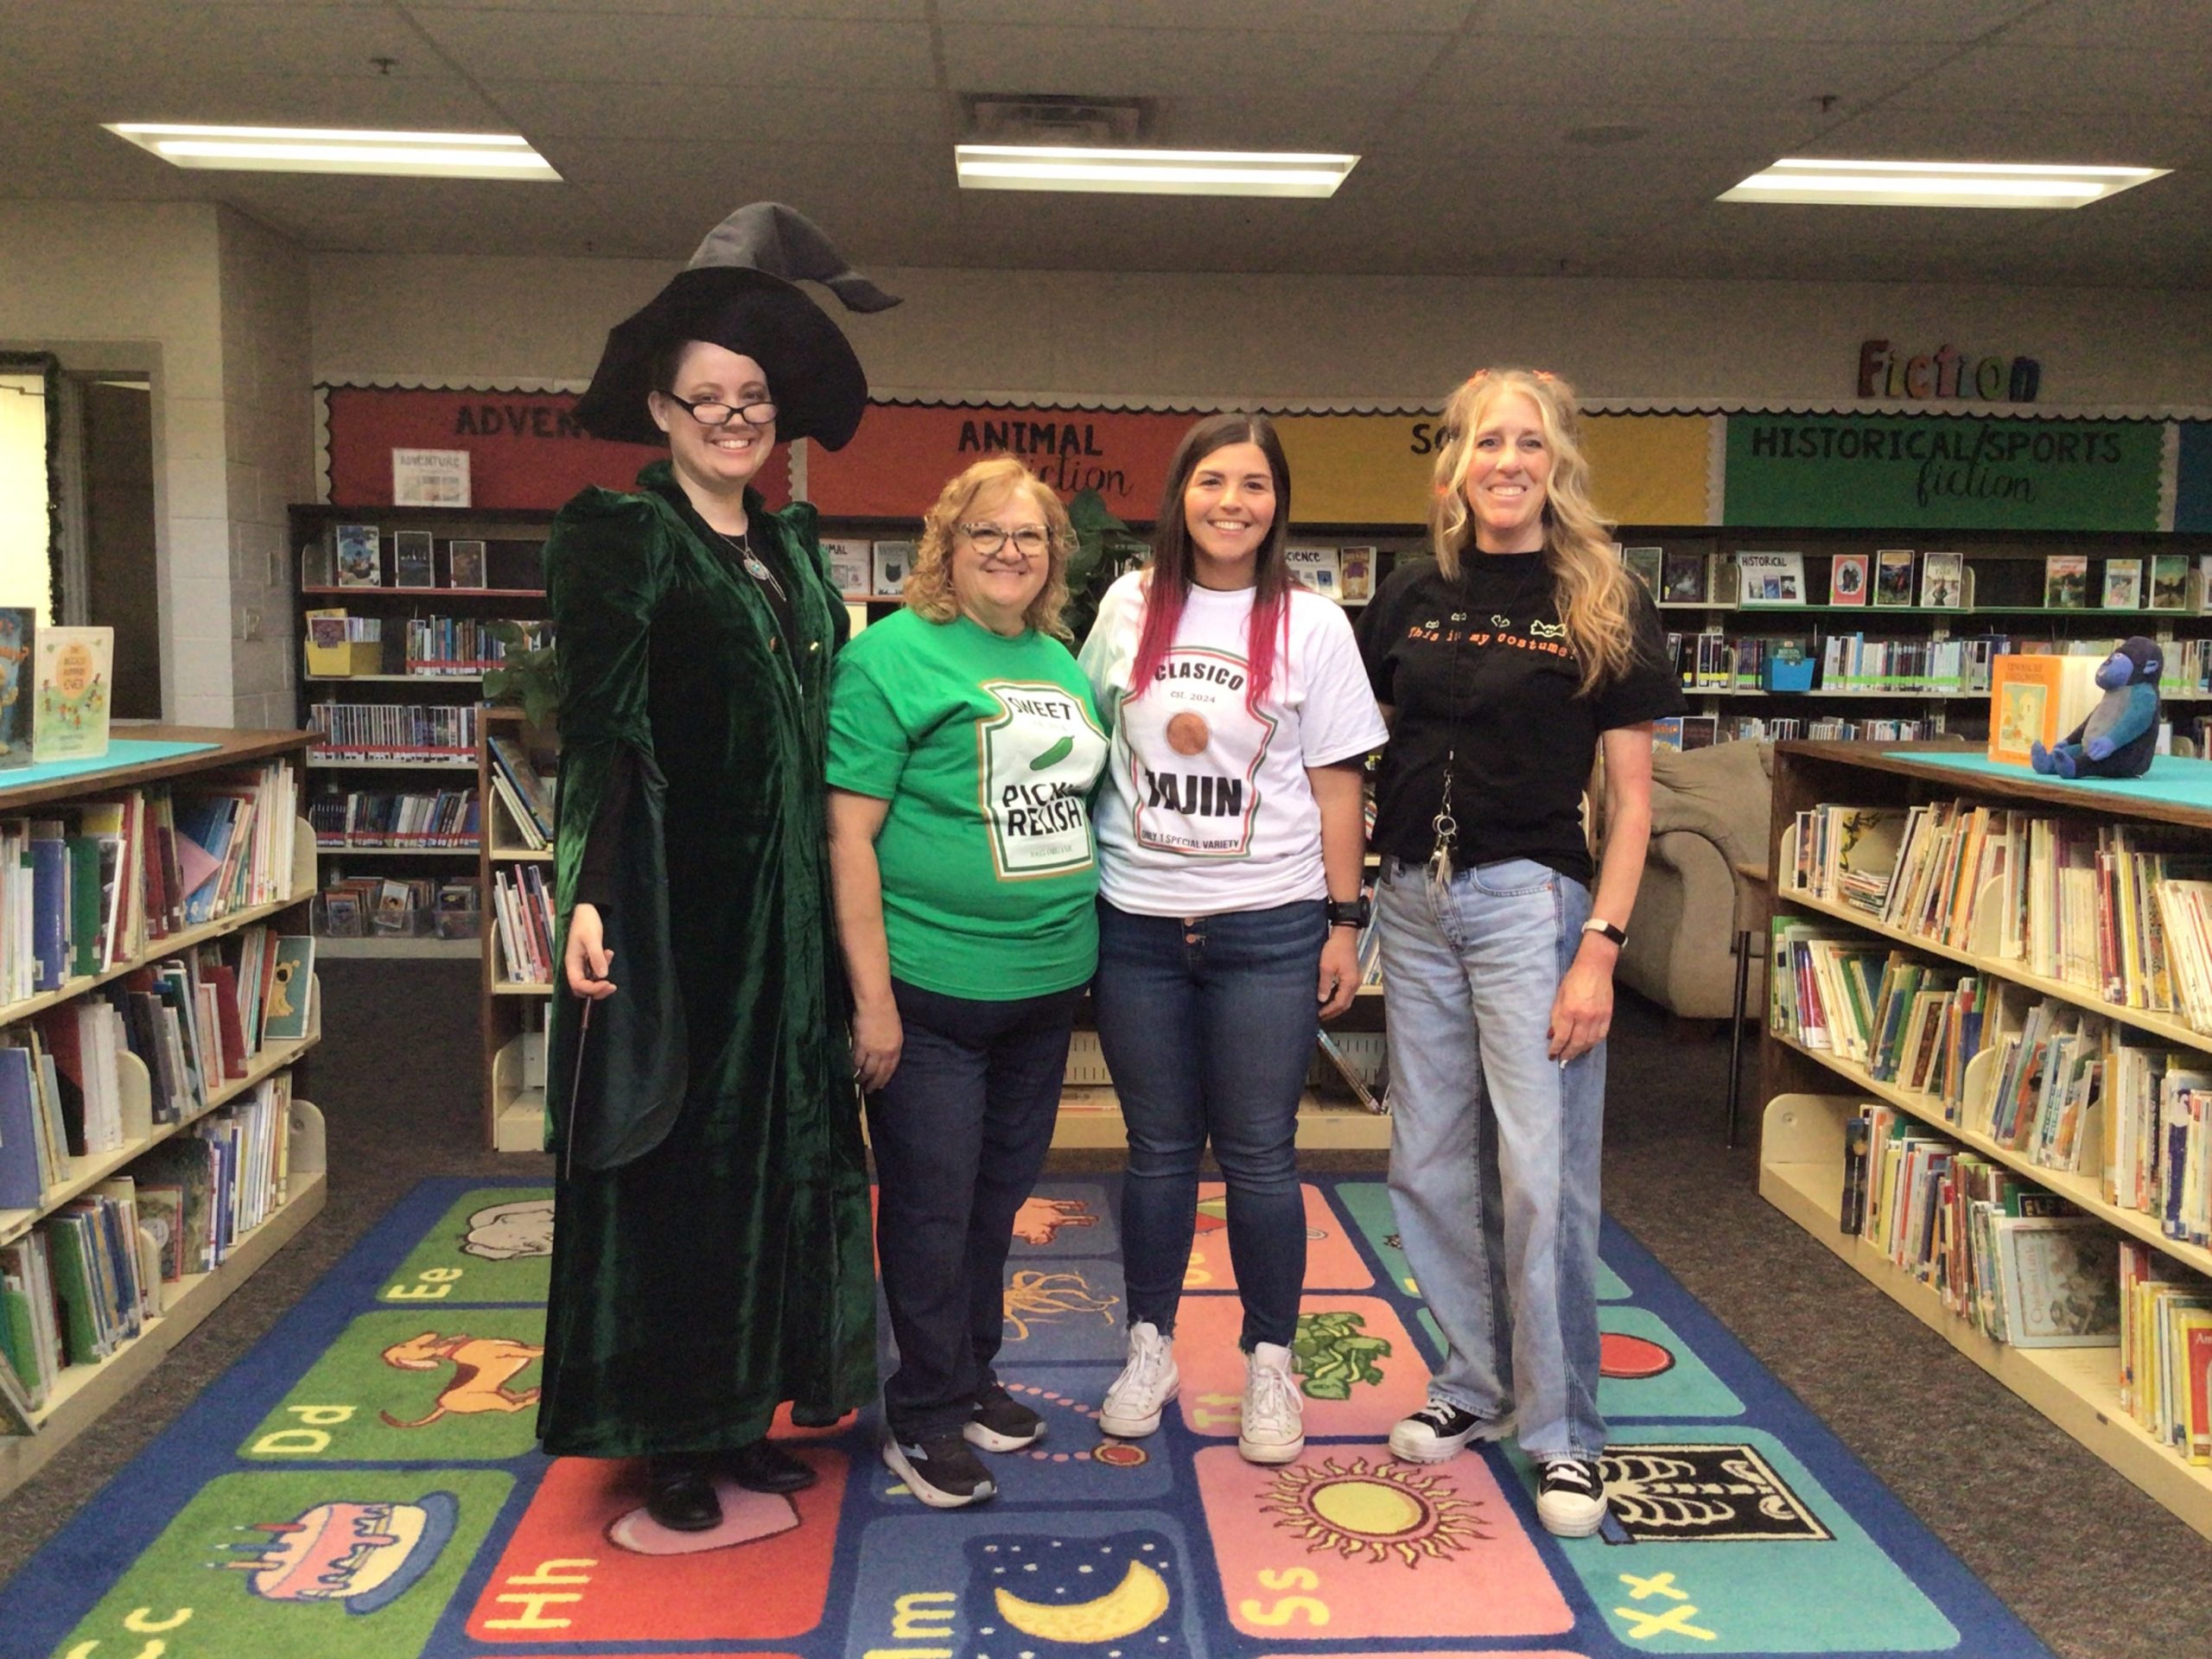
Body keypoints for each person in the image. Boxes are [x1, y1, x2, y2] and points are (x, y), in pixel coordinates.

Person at [537, 202, 898, 1532]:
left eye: (753, 398)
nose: (733, 418)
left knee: (779, 1162)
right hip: (684, 912)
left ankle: (747, 1414)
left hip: (792, 918)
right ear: (661, 408)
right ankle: (670, 1436)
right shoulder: (620, 540)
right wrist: (586, 888)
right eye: (707, 399)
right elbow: (602, 732)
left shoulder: (792, 555)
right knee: (681, 1171)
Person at [1354, 368, 1682, 1537]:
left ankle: (1565, 1435)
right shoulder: (1408, 593)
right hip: (1415, 902)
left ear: (1557, 463)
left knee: (1542, 1181)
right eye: (1483, 441)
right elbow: (1363, 751)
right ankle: (1473, 1387)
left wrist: (1600, 947)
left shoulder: (1604, 596)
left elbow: (1634, 803)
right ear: (1452, 462)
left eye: (1526, 444)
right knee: (1429, 1167)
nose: (1504, 461)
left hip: (1531, 908)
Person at [1079, 414, 1388, 1465]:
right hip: (1138, 928)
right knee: (1157, 1152)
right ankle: (1150, 1345)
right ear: (1180, 495)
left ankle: (1270, 1359)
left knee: (1260, 1155)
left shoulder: (1314, 624)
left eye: (1253, 485)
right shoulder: (1127, 605)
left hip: (1269, 925)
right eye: (1212, 481)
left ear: (1276, 503)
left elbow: (1338, 780)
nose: (1231, 502)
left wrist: (1347, 922)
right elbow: (1082, 741)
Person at [825, 457, 1109, 1509]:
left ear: (1052, 557)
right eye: (986, 532)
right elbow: (846, 839)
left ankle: (972, 1373)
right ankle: (926, 1414)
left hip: (1044, 986)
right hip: (930, 989)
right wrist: (874, 1002)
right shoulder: (891, 658)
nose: (1008, 551)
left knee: (997, 1203)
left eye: (1028, 537)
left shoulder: (1059, 660)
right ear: (946, 544)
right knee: (932, 1209)